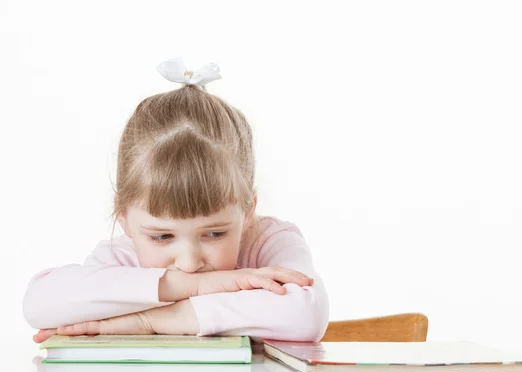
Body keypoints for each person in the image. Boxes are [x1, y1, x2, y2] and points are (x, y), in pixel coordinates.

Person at [23, 56, 329, 344]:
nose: (189, 262)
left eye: (214, 233)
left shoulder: (268, 241)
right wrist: (189, 287)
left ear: (248, 211)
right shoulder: (122, 258)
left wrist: (150, 320)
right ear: (124, 218)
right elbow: (38, 304)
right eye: (162, 236)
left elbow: (307, 314)